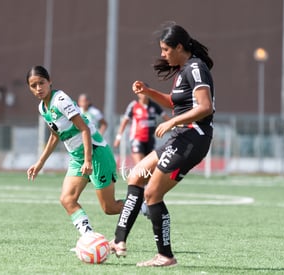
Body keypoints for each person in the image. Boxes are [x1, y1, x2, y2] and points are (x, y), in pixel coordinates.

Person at [110, 22, 215, 267]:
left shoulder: (196, 68)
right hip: (180, 137)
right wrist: (148, 91)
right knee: (135, 176)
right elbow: (173, 102)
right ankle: (119, 240)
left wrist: (172, 122)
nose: (162, 54)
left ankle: (165, 256)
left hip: (192, 139)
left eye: (165, 49)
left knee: (152, 194)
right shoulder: (182, 70)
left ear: (179, 47)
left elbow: (205, 107)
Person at [26, 65, 124, 239]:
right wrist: (40, 162)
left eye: (41, 83)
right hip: (78, 158)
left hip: (96, 153)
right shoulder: (43, 108)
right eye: (33, 86)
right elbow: (55, 135)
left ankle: (145, 207)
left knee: (109, 208)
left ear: (50, 82)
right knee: (67, 199)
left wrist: (88, 160)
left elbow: (84, 129)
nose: (38, 88)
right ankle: (89, 239)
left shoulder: (60, 99)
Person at [114, 91, 169, 165]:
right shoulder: (134, 105)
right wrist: (118, 138)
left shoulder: (154, 106)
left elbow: (166, 118)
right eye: (142, 93)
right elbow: (124, 122)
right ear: (138, 94)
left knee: (149, 166)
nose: (144, 95)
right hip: (137, 139)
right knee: (140, 166)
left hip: (150, 139)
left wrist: (174, 125)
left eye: (145, 92)